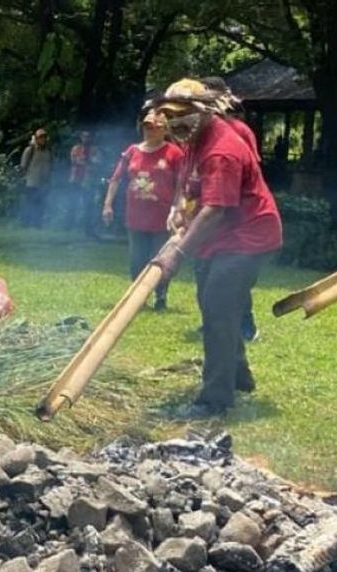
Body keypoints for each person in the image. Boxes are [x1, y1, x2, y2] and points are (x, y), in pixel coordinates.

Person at [149, 78, 282, 419]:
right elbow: (186, 179)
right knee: (214, 305)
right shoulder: (195, 139)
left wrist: (177, 253)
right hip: (221, 237)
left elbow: (215, 210)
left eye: (182, 115)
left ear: (204, 111)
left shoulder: (222, 149)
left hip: (247, 236)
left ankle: (215, 400)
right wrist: (178, 207)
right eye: (169, 115)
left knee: (218, 310)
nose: (175, 123)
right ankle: (239, 377)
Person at [102, 109, 185, 310]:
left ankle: (160, 296)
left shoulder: (175, 153)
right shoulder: (132, 151)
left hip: (163, 216)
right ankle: (138, 298)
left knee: (160, 258)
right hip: (136, 215)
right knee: (136, 259)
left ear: (165, 129)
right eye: (147, 126)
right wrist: (108, 204)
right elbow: (115, 179)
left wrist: (178, 209)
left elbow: (182, 184)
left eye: (156, 127)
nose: (150, 130)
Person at [202, 76, 261, 340]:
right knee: (205, 272)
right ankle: (213, 321)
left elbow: (252, 172)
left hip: (236, 217)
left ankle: (245, 325)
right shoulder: (199, 135)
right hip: (207, 213)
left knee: (233, 276)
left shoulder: (240, 131)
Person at [19, 128, 52, 228]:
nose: (43, 140)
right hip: (31, 181)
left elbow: (50, 165)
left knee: (41, 204)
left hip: (43, 182)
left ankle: (38, 224)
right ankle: (27, 223)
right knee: (30, 203)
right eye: (41, 137)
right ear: (36, 139)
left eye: (44, 137)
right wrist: (23, 178)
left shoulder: (48, 151)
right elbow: (23, 165)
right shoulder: (30, 150)